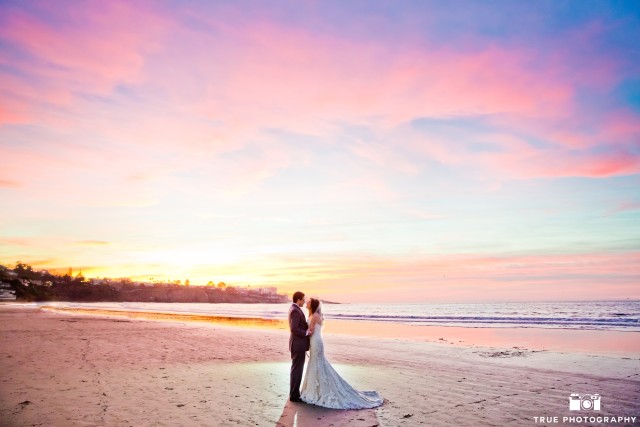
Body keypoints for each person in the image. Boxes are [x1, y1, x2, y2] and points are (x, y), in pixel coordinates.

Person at [300, 297, 383, 409]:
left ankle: (317, 391)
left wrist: (302, 332)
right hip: (315, 342)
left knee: (317, 363)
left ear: (313, 305)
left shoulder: (314, 316)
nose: (306, 303)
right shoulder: (313, 315)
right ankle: (315, 389)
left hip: (316, 342)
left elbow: (310, 331)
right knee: (316, 363)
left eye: (308, 302)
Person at [288, 291, 310, 402]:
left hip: (297, 344)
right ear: (298, 299)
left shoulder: (294, 309)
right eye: (303, 299)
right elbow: (294, 329)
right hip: (298, 345)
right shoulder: (295, 311)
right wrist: (306, 333)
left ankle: (294, 393)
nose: (304, 301)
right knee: (297, 370)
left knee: (296, 369)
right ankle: (294, 395)